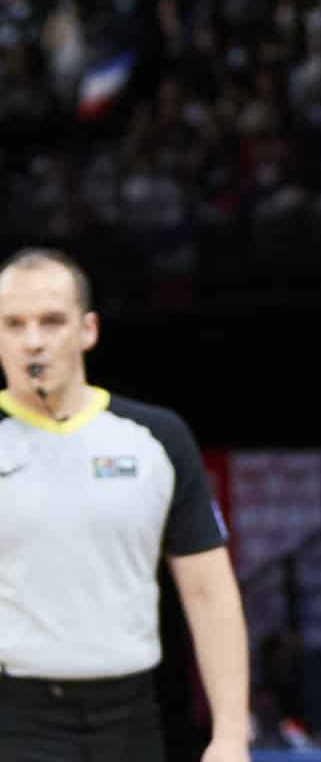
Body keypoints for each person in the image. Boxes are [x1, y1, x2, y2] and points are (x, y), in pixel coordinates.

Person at [0, 248, 250, 762]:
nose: (33, 341)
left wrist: (230, 733)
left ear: (87, 330)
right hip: (15, 718)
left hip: (132, 715)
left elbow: (208, 591)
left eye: (51, 321)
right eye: (14, 323)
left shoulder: (156, 438)